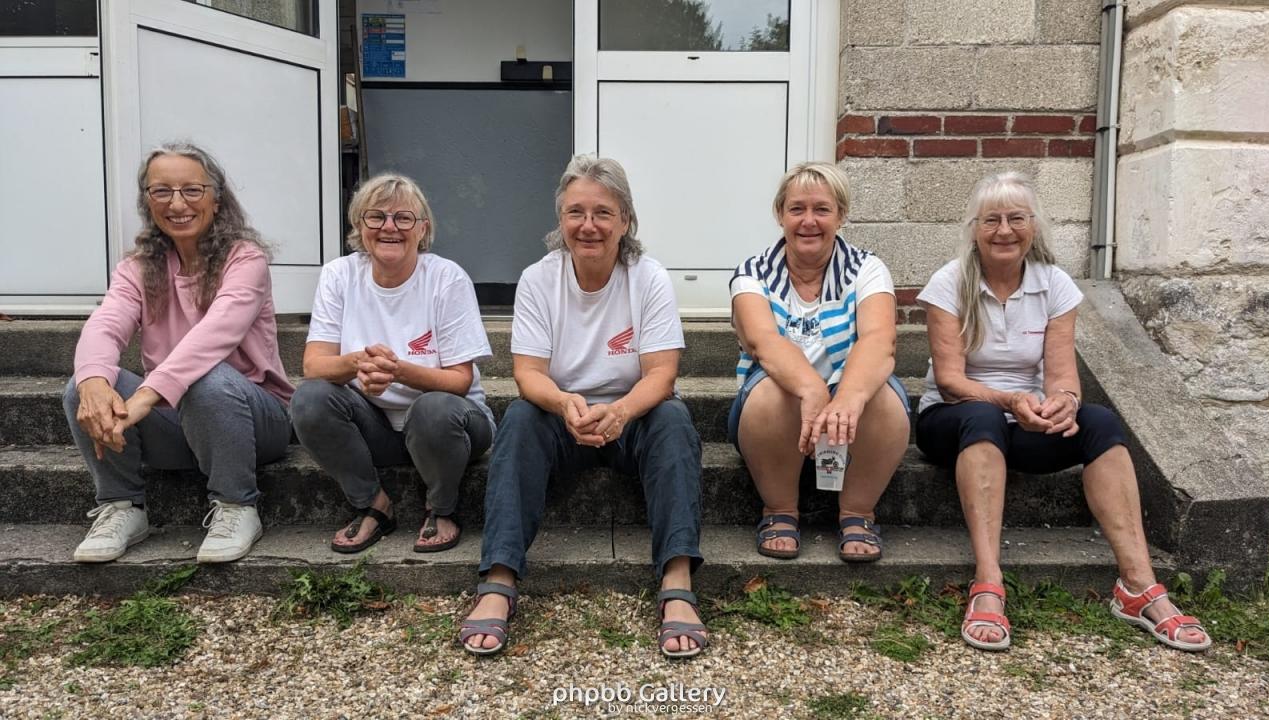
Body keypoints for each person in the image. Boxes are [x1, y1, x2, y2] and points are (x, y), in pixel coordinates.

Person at [914, 171, 1211, 652]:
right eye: (992, 220)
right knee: (982, 417)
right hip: (954, 419)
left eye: (1016, 218)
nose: (1004, 230)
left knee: (1101, 422)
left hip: (1025, 421)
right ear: (974, 229)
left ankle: (1138, 586)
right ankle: (988, 582)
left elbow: (1062, 375)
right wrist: (1010, 401)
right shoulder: (949, 281)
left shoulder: (1055, 284)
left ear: (1034, 226)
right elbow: (950, 380)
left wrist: (1064, 404)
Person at [459, 155, 706, 658]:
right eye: (576, 212)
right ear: (561, 219)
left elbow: (661, 374)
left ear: (626, 220)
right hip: (563, 418)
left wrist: (621, 412)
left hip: (633, 416)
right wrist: (564, 402)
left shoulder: (649, 277)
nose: (588, 225)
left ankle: (677, 579)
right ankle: (498, 580)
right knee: (520, 418)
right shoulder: (538, 279)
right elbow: (529, 374)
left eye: (603, 213)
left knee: (674, 418)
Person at [65, 141, 293, 564]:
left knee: (208, 377)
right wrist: (94, 383)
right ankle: (121, 506)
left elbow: (214, 335)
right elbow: (106, 323)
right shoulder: (137, 268)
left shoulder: (245, 260)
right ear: (147, 201)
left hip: (254, 421)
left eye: (192, 190)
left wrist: (144, 397)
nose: (177, 203)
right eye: (162, 191)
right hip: (176, 424)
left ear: (216, 198)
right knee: (84, 385)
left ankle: (236, 505)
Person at [291, 173, 494, 553]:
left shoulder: (446, 278)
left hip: (453, 427)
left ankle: (441, 507)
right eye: (376, 216)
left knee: (433, 409)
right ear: (359, 225)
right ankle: (373, 504)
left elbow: (460, 381)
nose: (389, 227)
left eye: (403, 218)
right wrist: (359, 363)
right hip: (376, 429)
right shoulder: (339, 275)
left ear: (422, 229)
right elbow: (314, 366)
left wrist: (398, 371)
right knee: (309, 399)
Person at [727, 162, 910, 563]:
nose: (808, 221)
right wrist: (812, 390)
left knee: (882, 397)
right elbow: (763, 342)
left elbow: (880, 340)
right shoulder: (752, 273)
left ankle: (858, 512)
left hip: (852, 410)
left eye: (822, 209)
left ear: (841, 215)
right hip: (776, 416)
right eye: (797, 209)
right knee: (771, 392)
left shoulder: (867, 269)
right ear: (780, 215)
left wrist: (847, 398)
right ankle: (779, 509)